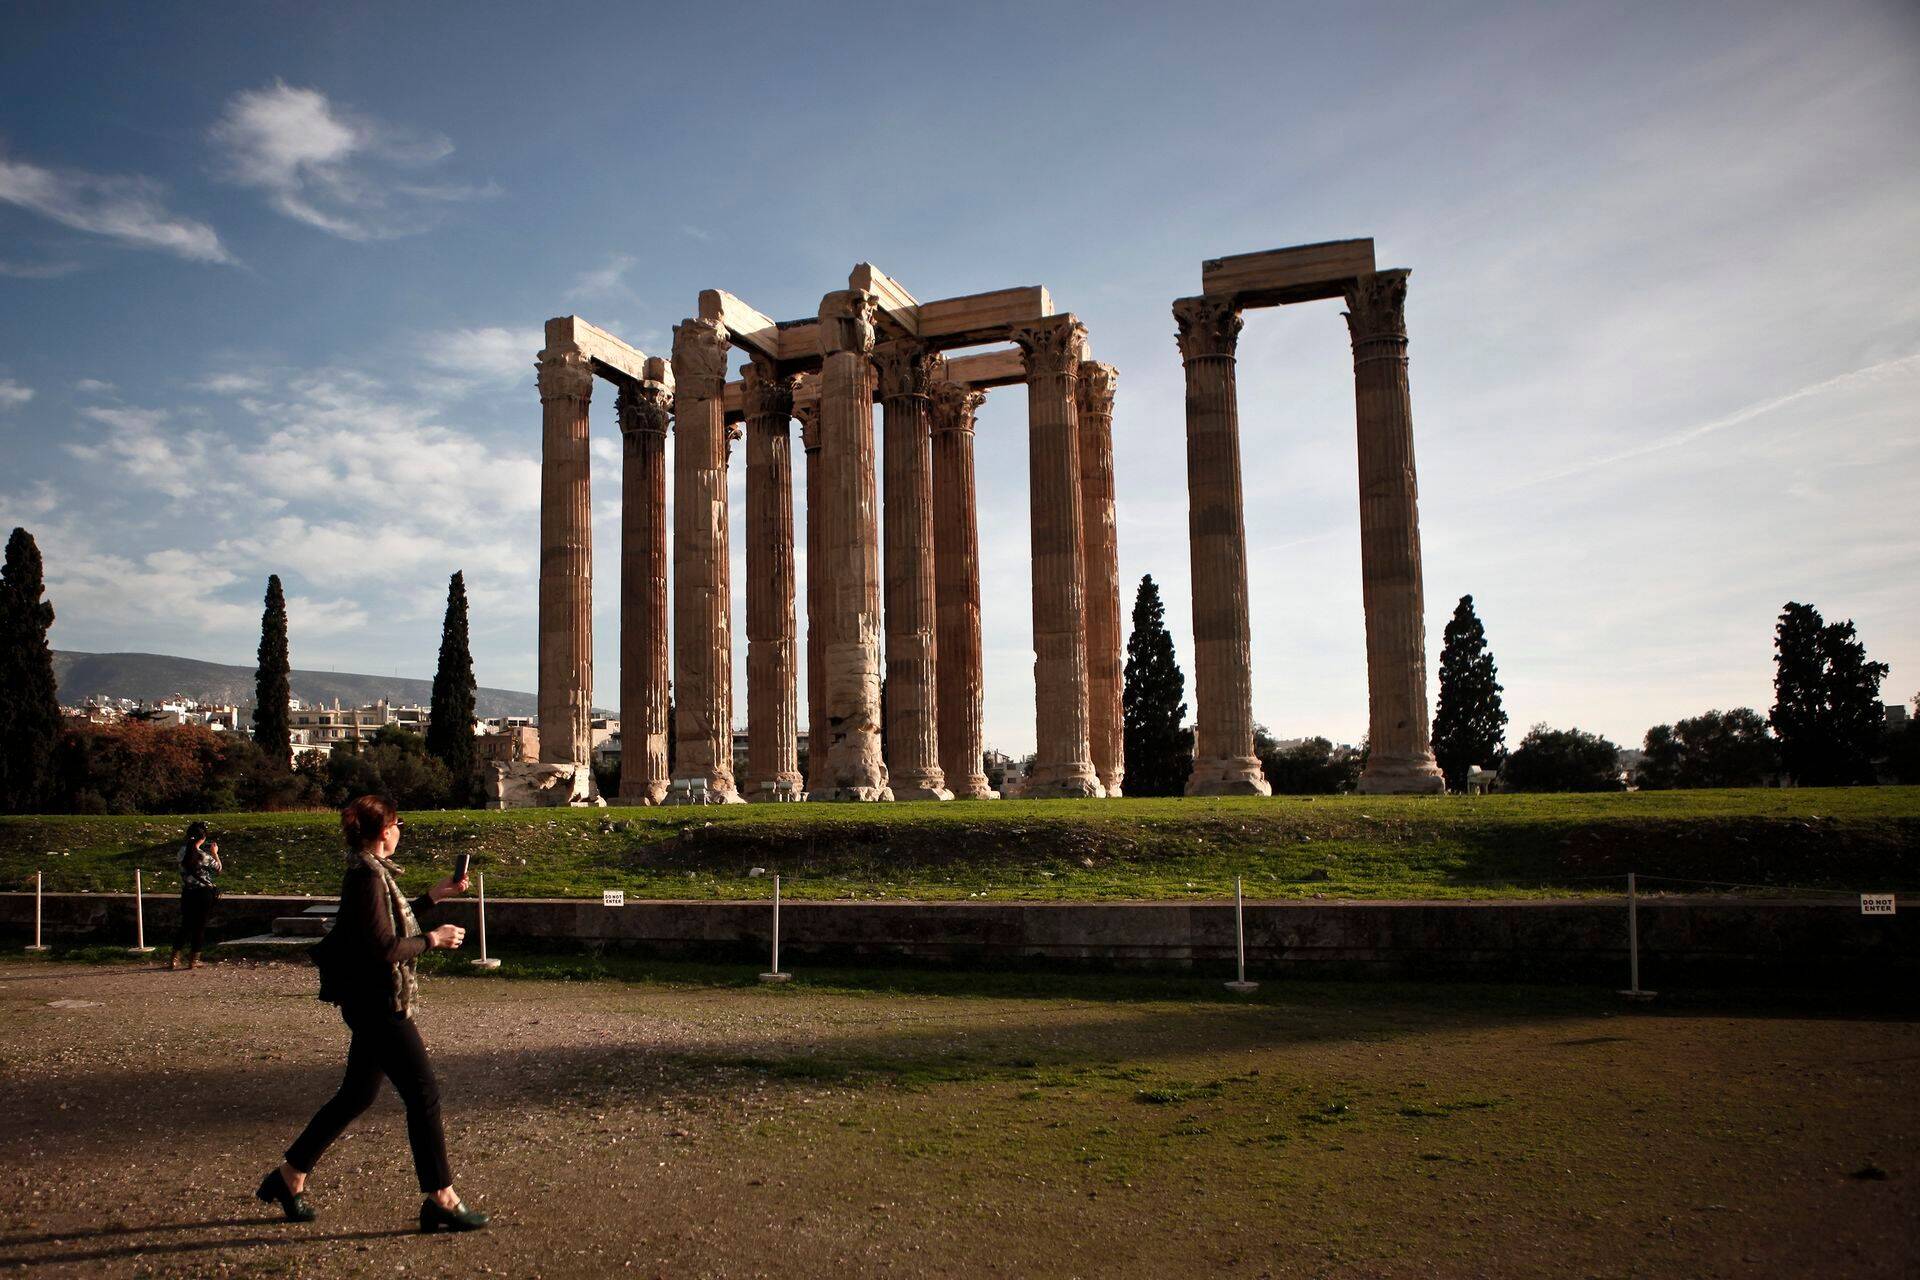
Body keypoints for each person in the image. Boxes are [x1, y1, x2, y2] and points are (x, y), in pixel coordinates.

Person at [255, 794, 489, 1233]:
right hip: (379, 1003)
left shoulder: (371, 873)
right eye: (398, 823)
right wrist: (433, 941)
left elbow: (387, 927)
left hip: (369, 1001)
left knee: (356, 1095)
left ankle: (290, 1177)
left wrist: (433, 896)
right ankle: (441, 1197)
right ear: (385, 831)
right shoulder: (365, 877)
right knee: (423, 1094)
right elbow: (384, 947)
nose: (400, 829)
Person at [170, 820, 222, 970]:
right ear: (203, 838)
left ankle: (174, 957)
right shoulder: (204, 856)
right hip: (203, 893)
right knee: (200, 926)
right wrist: (214, 853)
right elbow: (218, 869)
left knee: (185, 925)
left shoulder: (181, 853)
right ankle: (194, 959)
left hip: (187, 892)